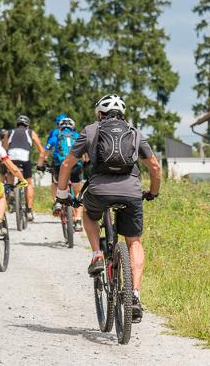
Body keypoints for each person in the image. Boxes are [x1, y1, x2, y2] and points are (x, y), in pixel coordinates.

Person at [56, 95, 161, 322]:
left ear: (99, 113)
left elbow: (66, 164)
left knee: (88, 213)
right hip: (131, 192)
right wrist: (153, 192)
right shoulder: (135, 133)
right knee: (134, 242)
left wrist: (62, 194)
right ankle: (134, 295)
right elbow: (154, 166)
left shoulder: (90, 130)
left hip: (99, 191)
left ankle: (97, 255)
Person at [38, 116, 84, 231]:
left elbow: (44, 152)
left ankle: (57, 202)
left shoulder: (56, 135)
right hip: (75, 166)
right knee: (78, 193)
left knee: (55, 183)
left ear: (60, 126)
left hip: (60, 166)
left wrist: (40, 165)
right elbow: (84, 154)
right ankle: (78, 220)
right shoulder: (77, 136)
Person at [2, 115, 46, 222]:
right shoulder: (31, 133)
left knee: (11, 173)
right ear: (28, 125)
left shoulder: (9, 132)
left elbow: (4, 148)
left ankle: (11, 191)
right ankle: (29, 211)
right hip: (25, 158)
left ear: (17, 124)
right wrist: (42, 161)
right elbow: (42, 150)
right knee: (28, 184)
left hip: (11, 157)